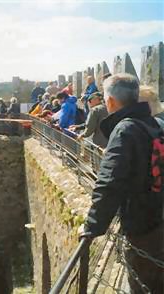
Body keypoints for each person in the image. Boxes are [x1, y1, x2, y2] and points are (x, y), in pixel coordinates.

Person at [81, 74, 163, 294]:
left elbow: (109, 182)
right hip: (159, 216)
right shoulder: (154, 124)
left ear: (109, 102)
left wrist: (92, 226)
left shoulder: (124, 129)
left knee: (143, 284)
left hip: (142, 224)